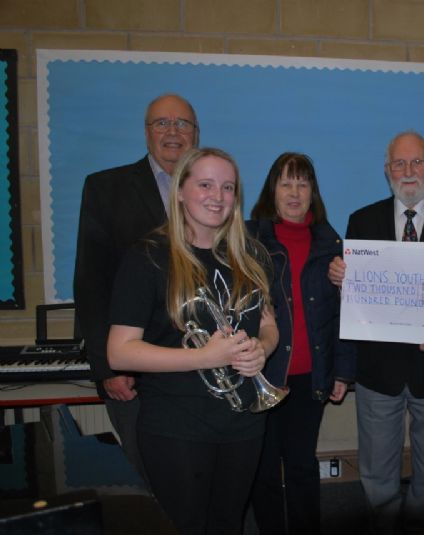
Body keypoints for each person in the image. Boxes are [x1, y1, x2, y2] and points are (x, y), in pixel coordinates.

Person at [106, 147, 279, 534]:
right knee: (185, 526)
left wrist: (260, 351)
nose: (217, 196)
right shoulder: (148, 257)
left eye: (228, 187)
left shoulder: (251, 255)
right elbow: (119, 351)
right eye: (205, 184)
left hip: (244, 423)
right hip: (176, 425)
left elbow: (269, 325)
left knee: (228, 524)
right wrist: (204, 357)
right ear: (180, 191)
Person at [328, 131, 424, 534]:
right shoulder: (363, 220)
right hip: (379, 370)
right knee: (377, 470)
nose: (408, 172)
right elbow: (355, 296)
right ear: (386, 171)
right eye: (399, 163)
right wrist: (341, 277)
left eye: (417, 163)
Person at [74, 93, 199, 477]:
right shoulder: (106, 189)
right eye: (162, 123)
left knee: (201, 480)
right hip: (134, 371)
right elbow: (90, 284)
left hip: (203, 372)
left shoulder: (213, 191)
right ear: (146, 133)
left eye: (182, 124)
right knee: (152, 481)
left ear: (196, 134)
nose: (173, 132)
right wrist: (107, 365)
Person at [246, 152, 356, 535]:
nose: (294, 192)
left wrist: (342, 370)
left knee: (302, 464)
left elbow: (343, 314)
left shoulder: (331, 242)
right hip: (262, 372)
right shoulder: (248, 239)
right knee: (262, 468)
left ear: (313, 192)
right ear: (271, 191)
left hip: (311, 375)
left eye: (303, 183)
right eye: (286, 183)